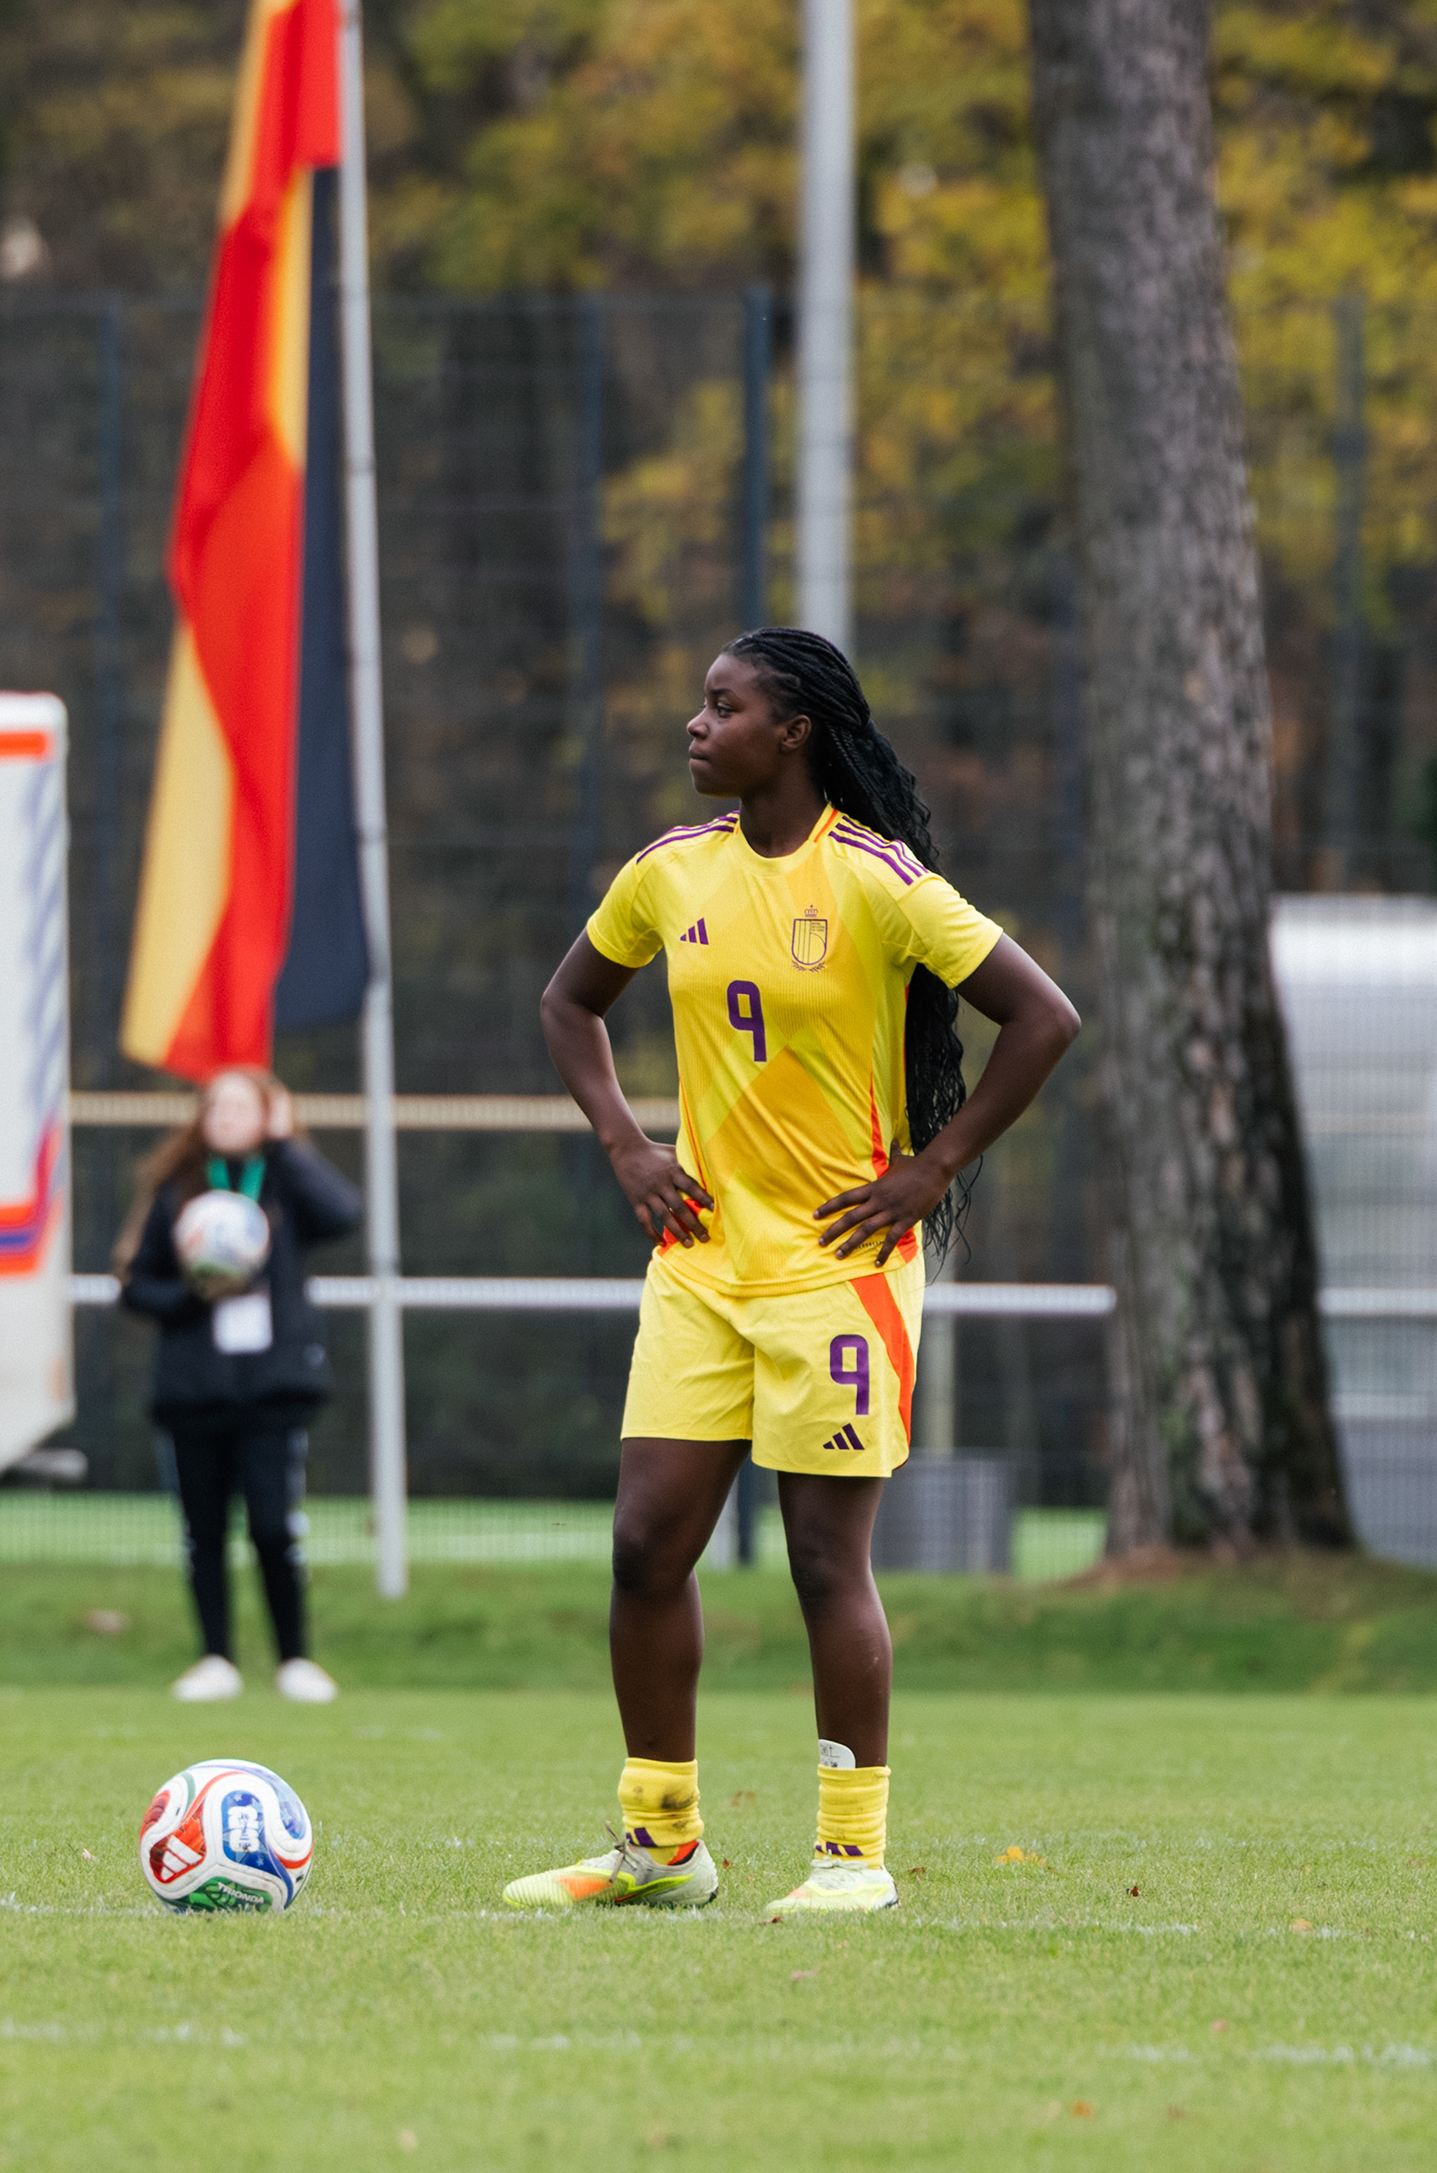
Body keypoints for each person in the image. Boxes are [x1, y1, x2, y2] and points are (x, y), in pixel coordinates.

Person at [503, 629, 1079, 1919]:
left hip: (836, 1270)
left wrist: (932, 1172)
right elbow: (569, 1001)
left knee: (826, 1560)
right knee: (646, 1547)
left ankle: (851, 1858)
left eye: (725, 706)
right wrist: (625, 1145)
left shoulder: (878, 880)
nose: (696, 726)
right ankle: (661, 1847)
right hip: (701, 1263)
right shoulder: (668, 871)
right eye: (700, 705)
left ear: (796, 729)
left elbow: (1044, 1019)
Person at [120, 1065, 361, 1706]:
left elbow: (344, 1215)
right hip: (193, 1391)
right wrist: (195, 1294)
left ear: (267, 1115)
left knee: (272, 1525)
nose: (225, 1116)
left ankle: (294, 1660)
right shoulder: (178, 1189)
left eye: (241, 1106)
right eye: (215, 1105)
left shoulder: (284, 1180)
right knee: (203, 1531)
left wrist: (286, 1145)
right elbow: (136, 1285)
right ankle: (215, 1658)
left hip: (271, 1390)